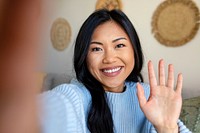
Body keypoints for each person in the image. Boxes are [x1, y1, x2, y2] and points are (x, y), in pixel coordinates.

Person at [40, 9, 191, 133]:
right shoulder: (74, 95)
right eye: (96, 49)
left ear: (134, 50)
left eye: (119, 45)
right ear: (84, 56)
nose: (110, 58)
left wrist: (167, 127)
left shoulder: (150, 96)